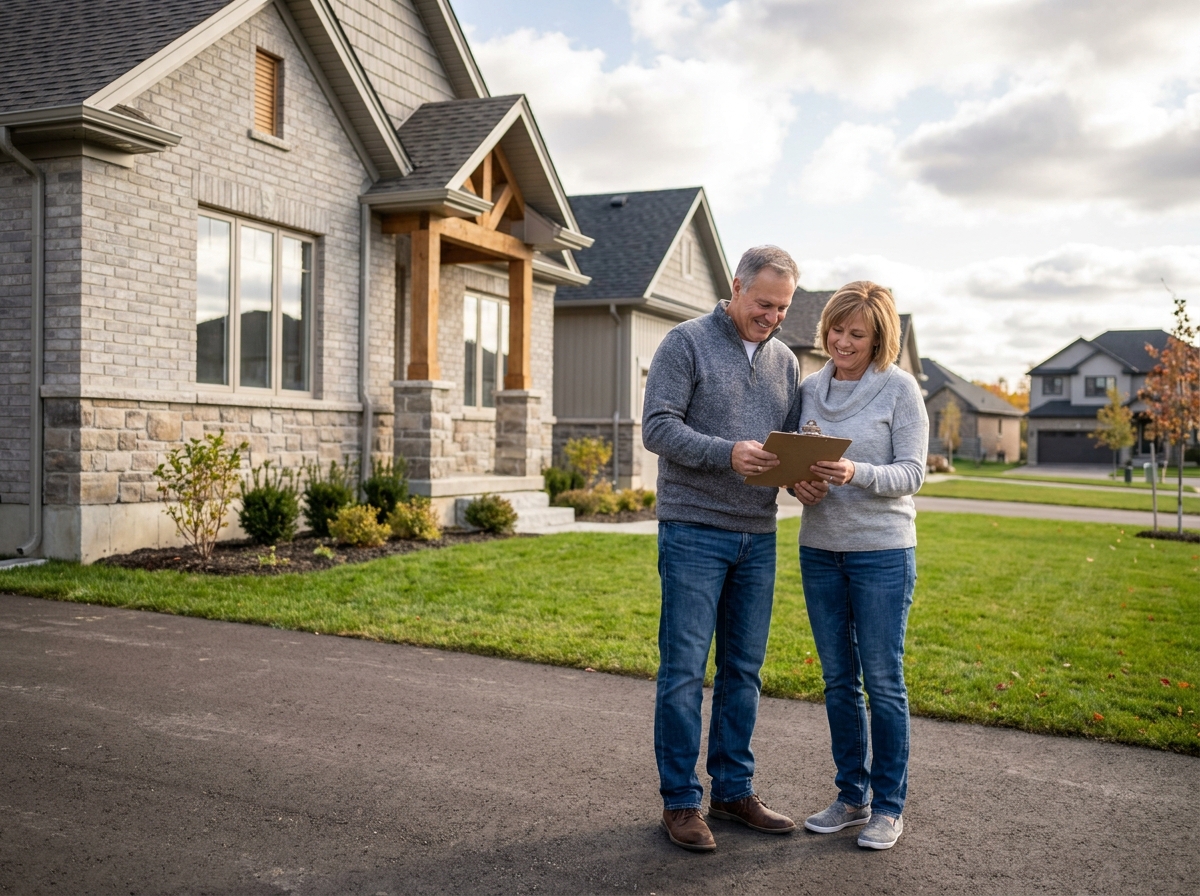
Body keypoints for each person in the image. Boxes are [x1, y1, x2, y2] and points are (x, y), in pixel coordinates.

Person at [642, 245, 828, 852]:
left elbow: (789, 439)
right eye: (763, 303)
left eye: (782, 307)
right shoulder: (685, 342)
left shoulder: (784, 363)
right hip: (694, 530)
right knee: (683, 673)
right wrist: (727, 450)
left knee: (743, 672)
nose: (772, 316)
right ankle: (680, 803)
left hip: (758, 534)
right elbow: (658, 427)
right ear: (736, 286)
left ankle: (732, 790)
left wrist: (804, 464)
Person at [796, 281, 928, 850]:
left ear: (879, 340)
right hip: (820, 548)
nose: (842, 341)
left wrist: (857, 474)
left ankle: (889, 807)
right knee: (837, 680)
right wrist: (800, 484)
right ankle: (852, 796)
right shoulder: (807, 389)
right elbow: (792, 461)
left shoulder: (901, 390)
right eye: (836, 329)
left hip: (883, 553)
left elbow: (913, 473)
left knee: (883, 680)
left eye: (857, 334)